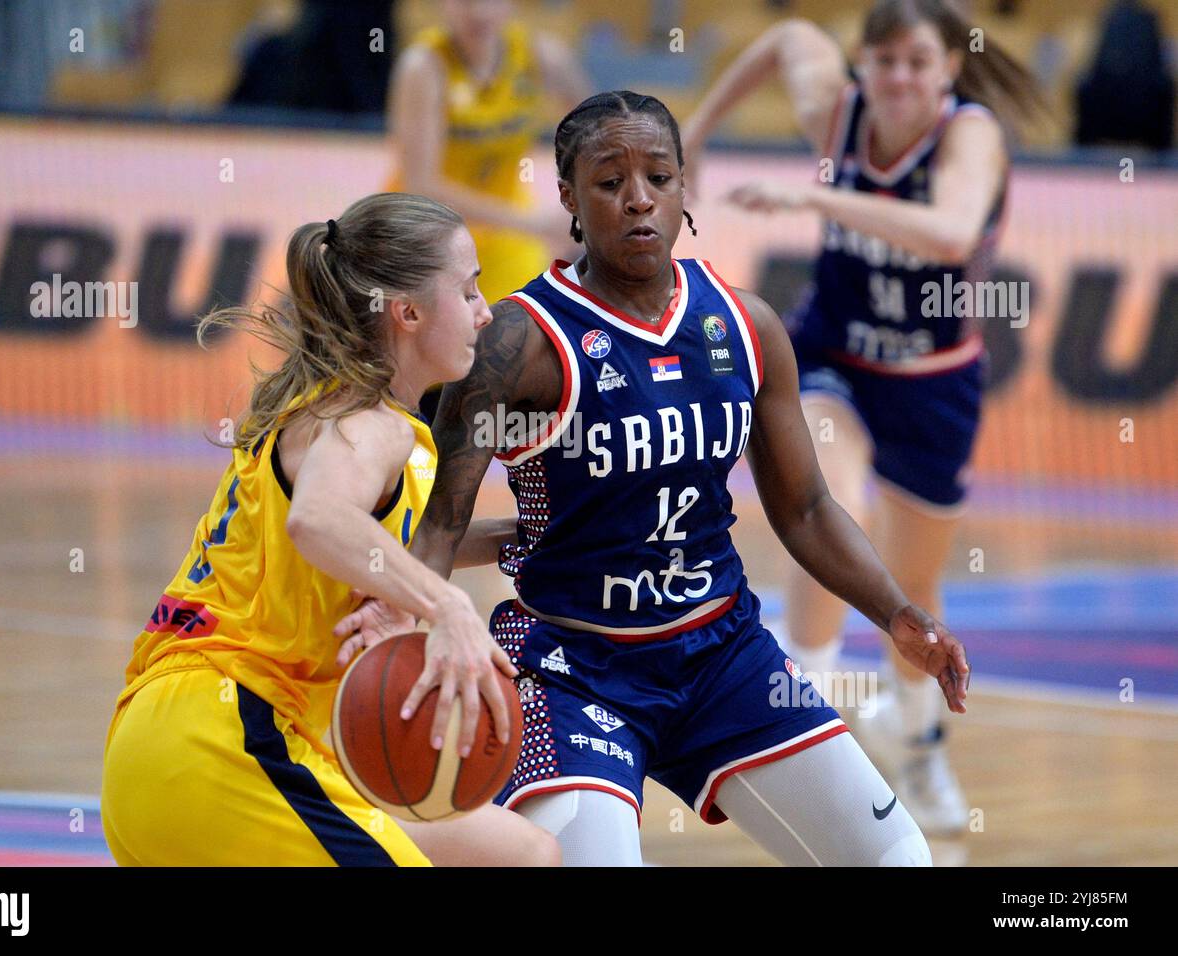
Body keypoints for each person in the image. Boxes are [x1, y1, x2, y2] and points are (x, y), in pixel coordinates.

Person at [337, 92, 969, 866]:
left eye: (659, 177)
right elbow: (438, 522)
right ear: (568, 196)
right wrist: (413, 623)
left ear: (683, 187)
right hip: (574, 668)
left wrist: (897, 612)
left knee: (900, 860)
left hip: (725, 655)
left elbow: (804, 508)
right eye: (609, 181)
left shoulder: (745, 325)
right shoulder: (519, 340)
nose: (638, 198)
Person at [100, 192, 559, 867]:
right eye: (468, 291)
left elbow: (366, 544)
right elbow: (318, 519)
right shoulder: (363, 422)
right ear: (406, 312)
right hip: (227, 738)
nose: (485, 312)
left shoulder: (349, 413)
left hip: (180, 743)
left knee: (524, 855)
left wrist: (525, 536)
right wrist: (447, 607)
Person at [681, 0, 1044, 834]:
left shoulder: (969, 135)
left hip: (931, 374)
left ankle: (916, 744)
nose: (900, 78)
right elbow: (782, 36)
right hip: (830, 357)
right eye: (884, 61)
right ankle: (793, 719)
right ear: (864, 65)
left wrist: (817, 203)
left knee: (912, 584)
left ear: (950, 67)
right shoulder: (834, 109)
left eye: (918, 62)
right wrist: (696, 129)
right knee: (828, 511)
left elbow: (951, 234)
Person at [386, 0, 591, 310]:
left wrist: (585, 200)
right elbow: (421, 186)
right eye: (465, 2)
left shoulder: (544, 57)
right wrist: (534, 224)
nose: (479, 12)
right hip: (425, 233)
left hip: (506, 237)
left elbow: (601, 135)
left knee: (533, 332)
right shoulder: (424, 67)